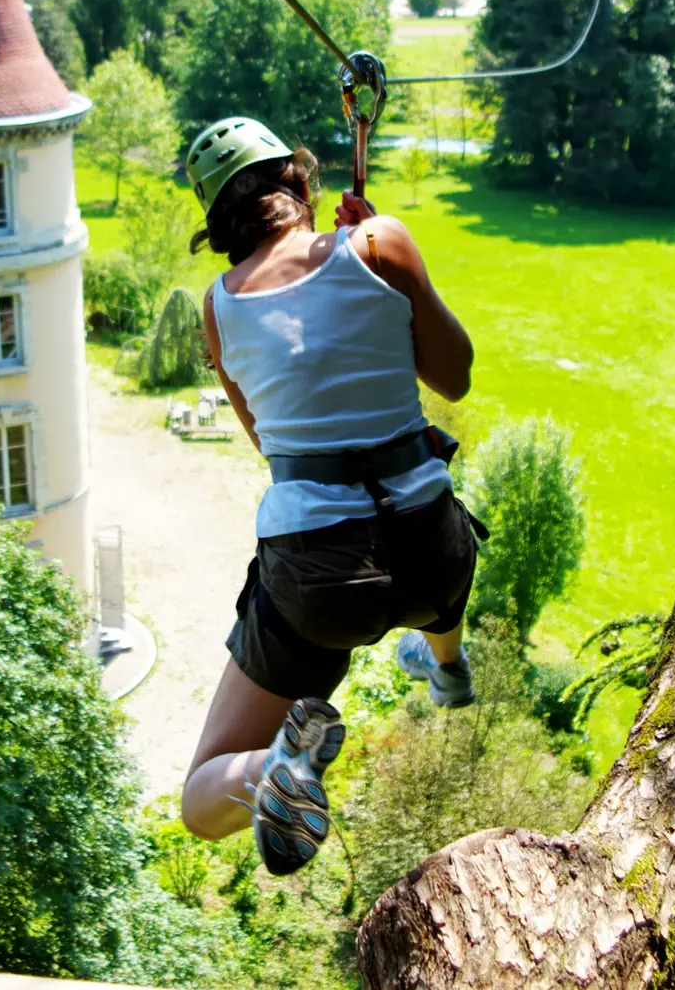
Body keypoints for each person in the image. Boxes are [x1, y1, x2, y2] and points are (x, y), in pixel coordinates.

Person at [177, 117, 481, 876]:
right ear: (300, 182)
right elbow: (455, 376)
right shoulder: (381, 244)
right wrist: (389, 260)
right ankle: (447, 665)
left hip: (323, 583)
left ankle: (271, 768)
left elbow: (273, 447)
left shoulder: (219, 307)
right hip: (435, 556)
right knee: (431, 513)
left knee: (197, 802)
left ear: (220, 228)